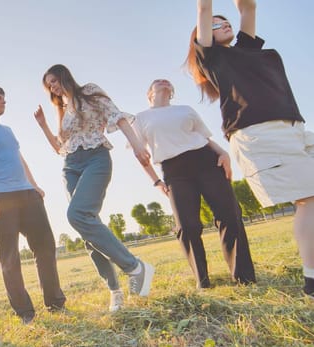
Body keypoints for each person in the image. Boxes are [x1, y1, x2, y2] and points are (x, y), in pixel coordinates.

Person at [187, 0, 314, 297]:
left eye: (225, 21)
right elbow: (204, 8)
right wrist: (208, 14)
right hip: (259, 132)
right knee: (309, 201)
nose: (223, 24)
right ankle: (312, 282)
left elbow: (248, 8)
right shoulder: (212, 57)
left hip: (295, 128)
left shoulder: (247, 49)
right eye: (215, 25)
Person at [33, 64, 154, 312]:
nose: (53, 87)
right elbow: (59, 147)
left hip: (96, 158)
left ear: (65, 76)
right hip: (70, 166)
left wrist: (138, 145)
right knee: (86, 228)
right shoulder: (63, 110)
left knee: (77, 215)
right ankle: (115, 291)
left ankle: (135, 268)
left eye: (54, 81)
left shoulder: (89, 91)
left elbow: (116, 116)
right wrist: (44, 125)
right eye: (49, 85)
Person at [133, 78, 256, 288]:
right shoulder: (141, 118)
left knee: (229, 216)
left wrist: (223, 152)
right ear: (149, 93)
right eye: (157, 81)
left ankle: (244, 277)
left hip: (206, 161)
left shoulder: (185, 110)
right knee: (187, 226)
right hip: (175, 171)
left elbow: (204, 138)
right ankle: (203, 281)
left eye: (167, 81)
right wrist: (156, 181)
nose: (164, 81)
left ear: (171, 91)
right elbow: (141, 155)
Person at [0, 86, 67, 324]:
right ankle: (25, 312)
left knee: (45, 247)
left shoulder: (8, 130)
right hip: (0, 196)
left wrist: (34, 185)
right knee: (9, 257)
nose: (4, 101)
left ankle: (55, 303)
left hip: (27, 194)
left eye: (4, 98)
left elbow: (20, 160)